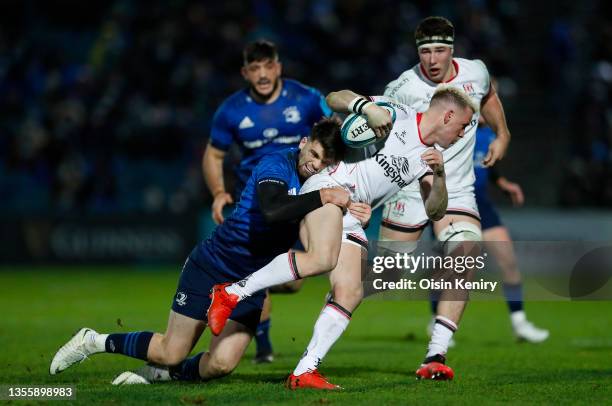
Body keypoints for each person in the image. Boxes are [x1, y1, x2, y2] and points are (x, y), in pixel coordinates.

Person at [206, 85, 477, 389]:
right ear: (448, 115)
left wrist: (439, 176)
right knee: (321, 258)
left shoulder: (431, 158)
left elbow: (436, 211)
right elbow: (334, 98)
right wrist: (365, 107)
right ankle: (232, 292)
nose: (464, 133)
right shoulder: (394, 113)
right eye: (463, 125)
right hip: (326, 190)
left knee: (351, 292)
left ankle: (304, 371)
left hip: (351, 212)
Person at [49, 119, 355, 384]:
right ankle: (94, 341)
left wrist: (352, 211)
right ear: (304, 143)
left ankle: (161, 375)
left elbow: (310, 230)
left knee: (221, 364)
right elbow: (274, 209)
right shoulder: (276, 164)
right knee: (171, 351)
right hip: (215, 265)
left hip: (251, 282)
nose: (315, 164)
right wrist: (326, 195)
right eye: (314, 153)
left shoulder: (315, 184)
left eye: (324, 162)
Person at [374, 16, 517, 379]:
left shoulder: (476, 72)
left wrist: (501, 134)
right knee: (384, 276)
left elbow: (488, 98)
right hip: (409, 188)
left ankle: (435, 355)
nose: (433, 59)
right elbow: (377, 140)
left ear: (453, 49)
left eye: (440, 50)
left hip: (456, 190)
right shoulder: (402, 88)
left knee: (465, 253)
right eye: (425, 51)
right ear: (416, 52)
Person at [203, 39, 331, 362]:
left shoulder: (306, 99)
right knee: (261, 262)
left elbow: (333, 133)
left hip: (300, 195)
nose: (262, 74)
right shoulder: (231, 110)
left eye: (268, 66)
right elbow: (213, 154)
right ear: (245, 72)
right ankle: (263, 346)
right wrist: (219, 192)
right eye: (255, 68)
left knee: (296, 279)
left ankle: (246, 284)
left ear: (278, 67)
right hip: (259, 203)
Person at [468, 116, 549, 341]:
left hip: (481, 203)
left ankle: (519, 323)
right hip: (454, 203)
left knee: (508, 261)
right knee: (454, 268)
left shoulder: (491, 135)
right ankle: (438, 322)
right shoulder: (455, 130)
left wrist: (503, 183)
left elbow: (490, 167)